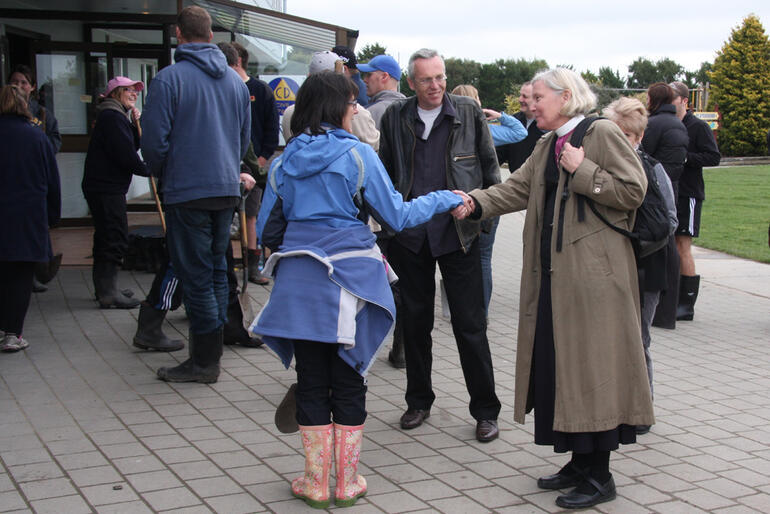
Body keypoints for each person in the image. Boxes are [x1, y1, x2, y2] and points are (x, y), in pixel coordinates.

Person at [251, 72, 463, 509]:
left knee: (310, 381)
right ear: (337, 108)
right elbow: (397, 216)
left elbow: (266, 228)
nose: (355, 111)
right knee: (349, 379)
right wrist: (444, 197)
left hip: (298, 283)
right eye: (351, 104)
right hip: (351, 283)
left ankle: (314, 482)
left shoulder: (284, 160)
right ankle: (346, 484)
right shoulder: (358, 155)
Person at [453, 68, 654, 509]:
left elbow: (634, 190)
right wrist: (474, 203)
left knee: (591, 372)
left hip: (595, 284)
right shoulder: (548, 143)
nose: (530, 102)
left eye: (538, 96)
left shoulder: (599, 133)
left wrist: (585, 171)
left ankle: (600, 475)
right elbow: (515, 189)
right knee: (560, 369)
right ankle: (578, 463)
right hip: (555, 281)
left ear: (565, 97)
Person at [378, 49, 502, 442]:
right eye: (427, 80)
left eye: (441, 77)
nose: (436, 86)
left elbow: (490, 172)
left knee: (470, 326)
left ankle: (485, 410)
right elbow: (385, 174)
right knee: (415, 325)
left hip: (458, 237)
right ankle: (418, 401)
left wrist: (483, 219)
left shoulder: (467, 112)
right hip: (410, 237)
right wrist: (386, 226)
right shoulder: (396, 117)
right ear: (411, 83)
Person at [141, 6, 250, 383]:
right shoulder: (236, 83)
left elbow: (153, 143)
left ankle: (204, 362)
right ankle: (210, 353)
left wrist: (168, 173)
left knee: (197, 276)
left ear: (178, 34)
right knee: (218, 271)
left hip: (188, 191)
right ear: (210, 34)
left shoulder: (169, 80)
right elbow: (242, 141)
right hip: (224, 189)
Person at [602, 97, 678, 435]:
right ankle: (613, 404)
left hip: (646, 268)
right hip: (609, 270)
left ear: (639, 137)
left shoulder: (652, 169)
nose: (622, 143)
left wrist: (634, 240)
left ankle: (641, 408)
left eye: (628, 136)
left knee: (638, 339)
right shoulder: (599, 168)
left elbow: (670, 221)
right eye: (615, 135)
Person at [451, 83, 526, 315]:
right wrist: (500, 115)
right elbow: (520, 132)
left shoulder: (447, 127)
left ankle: (461, 309)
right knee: (484, 258)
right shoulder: (486, 128)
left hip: (457, 199)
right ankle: (480, 312)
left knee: (457, 258)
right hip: (486, 200)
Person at [0, 85, 61, 351]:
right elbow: (52, 181)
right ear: (25, 104)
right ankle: (13, 333)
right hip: (27, 216)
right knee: (21, 277)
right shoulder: (36, 138)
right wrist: (53, 215)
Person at [82, 76, 149, 309]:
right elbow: (125, 154)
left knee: (105, 234)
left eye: (136, 91)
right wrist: (150, 170)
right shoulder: (111, 117)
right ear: (116, 93)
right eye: (129, 90)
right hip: (105, 187)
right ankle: (108, 292)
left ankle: (105, 288)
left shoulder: (116, 115)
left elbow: (131, 145)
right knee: (114, 235)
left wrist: (133, 122)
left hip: (103, 186)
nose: (134, 94)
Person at [670, 81, 721, 321]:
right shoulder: (667, 125)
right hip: (669, 192)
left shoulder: (697, 126)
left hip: (688, 193)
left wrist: (685, 158)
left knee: (683, 245)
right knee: (669, 245)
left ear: (684, 101)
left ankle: (686, 304)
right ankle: (669, 296)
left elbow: (713, 156)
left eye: (673, 99)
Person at [231, 41, 280, 286]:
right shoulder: (225, 89)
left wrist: (258, 162)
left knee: (252, 215)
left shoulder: (260, 90)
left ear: (237, 61)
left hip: (255, 164)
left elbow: (271, 129)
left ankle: (253, 265)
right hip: (230, 165)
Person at [641, 82, 688, 330]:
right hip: (672, 189)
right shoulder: (677, 123)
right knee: (669, 251)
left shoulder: (655, 124)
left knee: (661, 250)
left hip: (657, 191)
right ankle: (667, 310)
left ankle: (660, 312)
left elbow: (644, 156)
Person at [281, 51, 379, 151]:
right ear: (342, 75)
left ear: (309, 76)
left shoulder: (290, 113)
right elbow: (374, 147)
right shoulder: (357, 111)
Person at [8, 64, 61, 152]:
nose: (18, 86)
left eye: (24, 82)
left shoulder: (42, 113)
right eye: (14, 81)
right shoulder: (3, 111)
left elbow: (55, 142)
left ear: (33, 87)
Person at [496, 81, 546, 171]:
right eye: (520, 95)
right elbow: (499, 155)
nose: (520, 99)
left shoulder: (547, 125)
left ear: (536, 99)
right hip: (516, 181)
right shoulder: (512, 122)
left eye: (525, 96)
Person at [358, 54, 406, 129]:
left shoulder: (369, 113)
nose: (364, 80)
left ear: (384, 77)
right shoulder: (412, 110)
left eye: (369, 75)